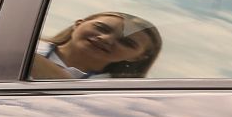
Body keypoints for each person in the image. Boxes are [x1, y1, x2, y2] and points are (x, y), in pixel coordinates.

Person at [30, 12, 163, 79]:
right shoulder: (18, 44)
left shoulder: (117, 94)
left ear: (138, 57)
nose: (105, 39)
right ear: (78, 24)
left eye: (126, 42)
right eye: (101, 28)